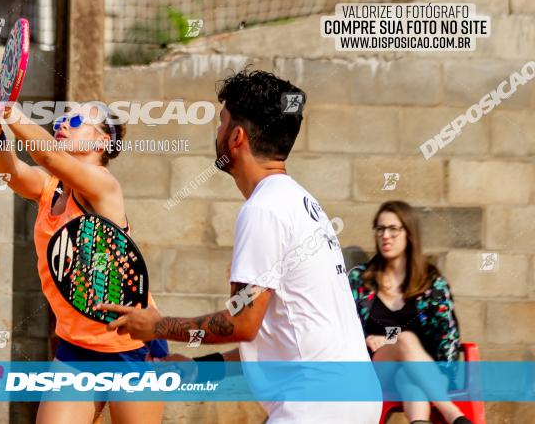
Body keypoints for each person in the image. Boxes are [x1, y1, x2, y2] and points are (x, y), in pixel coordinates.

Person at [99, 68, 381, 423]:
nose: (215, 132)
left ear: (236, 137)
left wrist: (157, 326)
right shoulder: (301, 203)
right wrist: (196, 371)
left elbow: (240, 324)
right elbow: (272, 341)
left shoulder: (263, 210)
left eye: (221, 122)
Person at [0, 99, 167, 424]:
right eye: (61, 120)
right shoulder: (50, 187)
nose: (62, 124)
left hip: (131, 341)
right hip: (77, 345)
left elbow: (48, 154)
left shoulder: (104, 186)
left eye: (75, 121)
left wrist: (10, 112)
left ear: (102, 141)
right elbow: (13, 171)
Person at [348, 201, 471, 424]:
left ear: (409, 233)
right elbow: (343, 325)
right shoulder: (359, 280)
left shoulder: (431, 283)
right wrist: (367, 338)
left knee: (410, 378)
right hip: (376, 372)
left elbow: (448, 333)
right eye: (380, 229)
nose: (386, 235)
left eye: (394, 229)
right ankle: (454, 414)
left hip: (423, 373)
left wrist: (445, 374)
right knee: (405, 338)